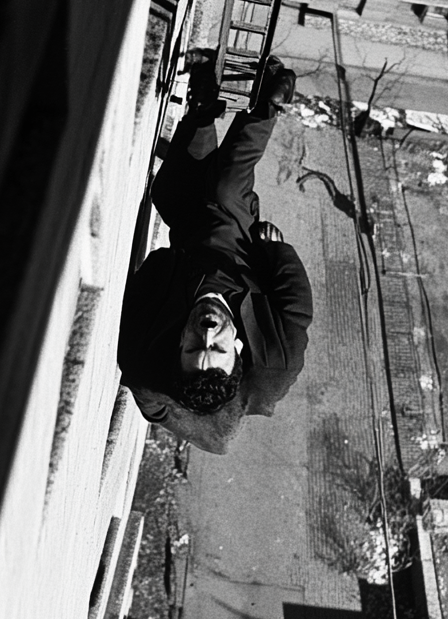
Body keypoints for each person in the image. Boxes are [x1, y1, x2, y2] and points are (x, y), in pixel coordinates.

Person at [118, 54, 313, 454]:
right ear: (239, 348)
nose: (206, 333)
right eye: (218, 347)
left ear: (178, 347)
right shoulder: (276, 367)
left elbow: (155, 403)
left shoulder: (142, 361)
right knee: (225, 189)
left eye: (193, 347)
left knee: (172, 193)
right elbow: (296, 310)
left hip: (187, 256)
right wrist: (275, 250)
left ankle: (203, 111)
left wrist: (163, 264)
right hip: (242, 256)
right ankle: (267, 107)